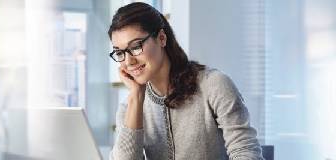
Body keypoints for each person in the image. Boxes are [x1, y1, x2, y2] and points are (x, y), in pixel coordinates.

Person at [108, 2, 264, 160]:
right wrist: (136, 97)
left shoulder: (213, 85)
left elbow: (246, 152)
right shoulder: (130, 108)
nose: (128, 61)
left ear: (161, 38)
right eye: (119, 53)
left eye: (136, 46)